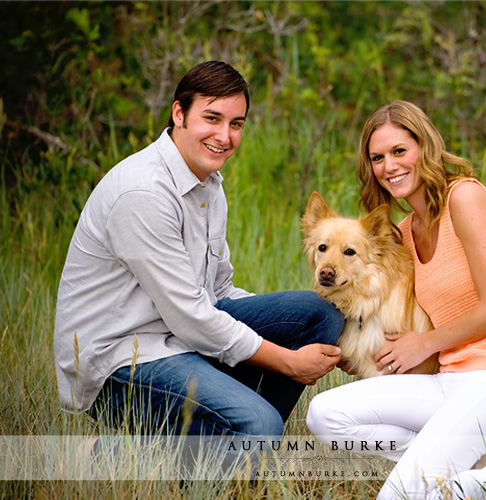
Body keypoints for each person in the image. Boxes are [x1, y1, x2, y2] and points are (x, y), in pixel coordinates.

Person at [54, 61, 344, 440]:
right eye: (212, 118)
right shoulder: (144, 193)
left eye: (236, 124)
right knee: (260, 424)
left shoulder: (207, 184)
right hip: (123, 363)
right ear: (179, 113)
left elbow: (219, 293)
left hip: (181, 339)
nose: (224, 136)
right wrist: (288, 362)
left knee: (317, 315)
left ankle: (233, 440)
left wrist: (341, 347)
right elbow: (191, 315)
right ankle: (112, 458)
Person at [306, 100, 486, 499]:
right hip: (448, 381)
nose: (390, 166)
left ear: (425, 148)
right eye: (378, 157)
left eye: (400, 151)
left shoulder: (465, 199)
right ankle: (464, 474)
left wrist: (425, 344)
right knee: (325, 415)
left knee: (400, 496)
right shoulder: (403, 231)